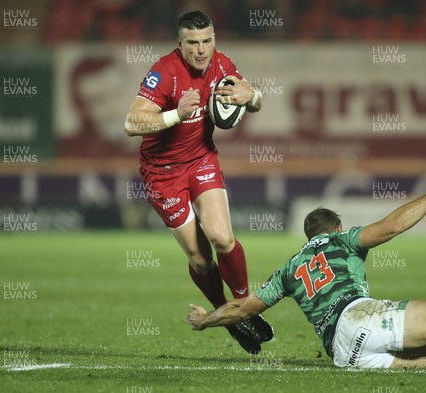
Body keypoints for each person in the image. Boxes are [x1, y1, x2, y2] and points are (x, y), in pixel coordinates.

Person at [186, 168, 426, 369]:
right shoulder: (340, 241)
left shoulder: (288, 270)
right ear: (334, 228)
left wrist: (205, 321)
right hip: (359, 318)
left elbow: (242, 309)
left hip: (344, 354)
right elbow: (393, 226)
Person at [124, 10, 271, 354]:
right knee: (201, 260)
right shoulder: (164, 71)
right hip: (163, 173)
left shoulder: (222, 65)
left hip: (202, 158)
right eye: (193, 43)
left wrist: (253, 98)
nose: (201, 50)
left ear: (214, 40)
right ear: (180, 44)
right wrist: (177, 113)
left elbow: (252, 100)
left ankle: (242, 309)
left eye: (207, 41)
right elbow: (132, 123)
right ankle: (225, 313)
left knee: (222, 236)